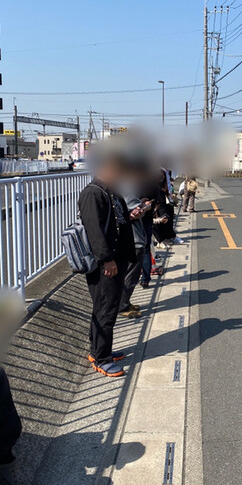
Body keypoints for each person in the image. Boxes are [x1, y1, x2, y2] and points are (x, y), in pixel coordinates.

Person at [78, 153, 138, 377]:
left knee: (104, 307)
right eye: (118, 171)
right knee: (106, 309)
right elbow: (94, 230)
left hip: (116, 258)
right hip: (105, 263)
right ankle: (101, 358)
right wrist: (106, 259)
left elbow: (117, 222)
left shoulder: (110, 192)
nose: (120, 176)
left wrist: (132, 215)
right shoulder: (93, 193)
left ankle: (99, 350)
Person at [118, 194, 150, 318]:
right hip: (134, 240)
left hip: (130, 240)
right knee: (131, 275)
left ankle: (125, 302)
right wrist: (144, 207)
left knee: (129, 274)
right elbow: (137, 212)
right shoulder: (127, 190)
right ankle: (123, 306)